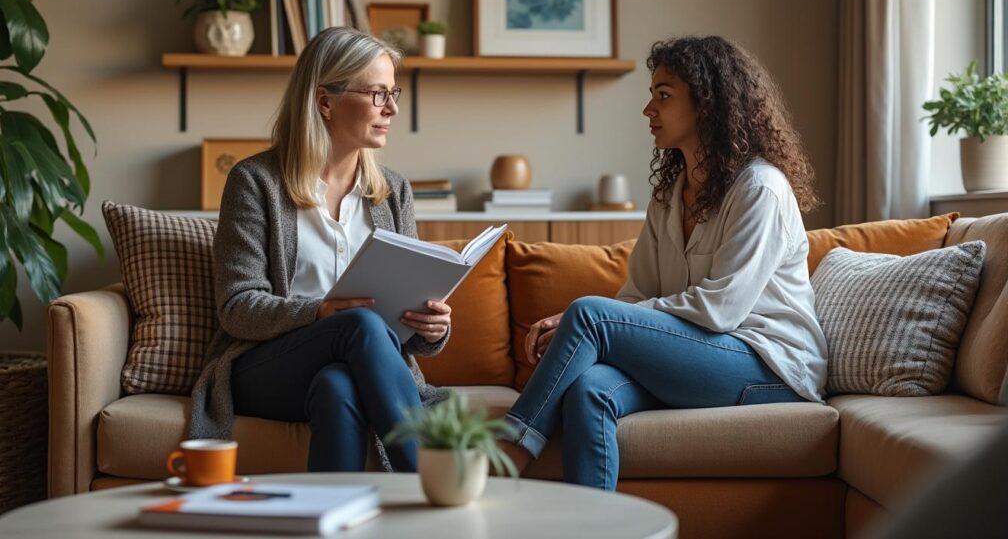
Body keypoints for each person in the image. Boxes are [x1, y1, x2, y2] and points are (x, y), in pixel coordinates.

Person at [498, 36, 828, 491]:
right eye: (652, 95)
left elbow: (721, 310)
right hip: (701, 359)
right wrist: (591, 325)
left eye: (664, 95)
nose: (648, 109)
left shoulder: (760, 189)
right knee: (589, 388)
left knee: (590, 314)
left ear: (708, 104)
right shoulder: (668, 197)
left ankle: (505, 455)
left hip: (771, 368)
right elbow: (638, 295)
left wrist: (592, 321)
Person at [188, 27, 452, 473]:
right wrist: (320, 313)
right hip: (268, 366)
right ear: (324, 101)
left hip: (351, 364)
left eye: (393, 93)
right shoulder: (255, 182)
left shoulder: (393, 192)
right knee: (359, 325)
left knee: (339, 387)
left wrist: (432, 327)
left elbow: (410, 329)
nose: (392, 108)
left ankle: (333, 521)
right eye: (377, 94)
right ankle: (427, 488)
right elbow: (237, 307)